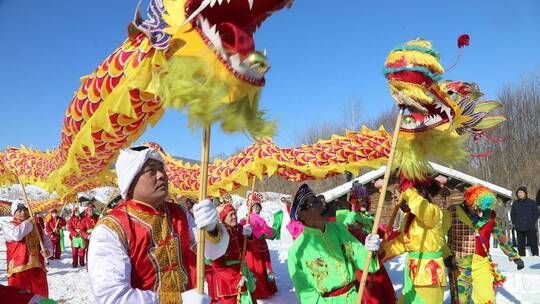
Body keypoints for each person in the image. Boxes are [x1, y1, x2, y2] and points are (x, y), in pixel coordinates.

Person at [87, 146, 229, 304]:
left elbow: (213, 253)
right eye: (151, 171)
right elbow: (112, 297)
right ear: (130, 179)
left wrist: (212, 228)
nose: (161, 175)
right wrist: (177, 301)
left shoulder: (179, 213)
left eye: (162, 169)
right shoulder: (111, 227)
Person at [287, 184, 381, 303]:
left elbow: (359, 255)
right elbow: (306, 294)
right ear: (302, 215)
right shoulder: (297, 251)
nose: (322, 206)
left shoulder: (339, 229)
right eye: (314, 203)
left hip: (353, 298)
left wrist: (369, 250)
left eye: (319, 200)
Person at [445, 185, 524, 303]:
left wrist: (514, 256)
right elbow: (439, 234)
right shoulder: (453, 212)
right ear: (469, 202)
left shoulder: (490, 215)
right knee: (460, 300)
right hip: (459, 264)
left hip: (482, 263)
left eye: (483, 208)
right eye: (477, 208)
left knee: (487, 297)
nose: (480, 212)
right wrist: (446, 255)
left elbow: (500, 236)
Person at [382, 176, 448, 304]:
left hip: (428, 273)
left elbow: (424, 211)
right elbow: (402, 242)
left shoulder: (433, 211)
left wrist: (409, 192)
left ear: (421, 193)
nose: (402, 198)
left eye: (404, 194)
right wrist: (382, 253)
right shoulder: (408, 217)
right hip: (411, 271)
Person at [335, 183, 396, 304]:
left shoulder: (368, 218)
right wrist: (368, 239)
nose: (363, 203)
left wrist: (390, 231)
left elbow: (380, 229)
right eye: (360, 200)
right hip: (362, 262)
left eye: (365, 200)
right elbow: (354, 235)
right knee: (369, 295)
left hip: (374, 261)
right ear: (354, 202)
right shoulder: (351, 218)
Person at [3, 200, 52, 297]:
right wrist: (29, 222)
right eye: (19, 211)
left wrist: (48, 251)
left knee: (41, 297)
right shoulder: (9, 226)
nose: (23, 213)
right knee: (17, 298)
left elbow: (46, 241)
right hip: (18, 270)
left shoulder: (37, 226)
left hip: (37, 267)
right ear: (14, 213)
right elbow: (17, 235)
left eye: (25, 210)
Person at [212, 203, 256, 304]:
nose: (235, 217)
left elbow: (250, 250)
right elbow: (217, 266)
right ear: (223, 217)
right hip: (228, 280)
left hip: (243, 273)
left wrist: (249, 237)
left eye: (235, 213)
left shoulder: (241, 229)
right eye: (231, 214)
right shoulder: (219, 234)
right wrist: (235, 279)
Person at [242, 197, 283, 300]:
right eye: (254, 206)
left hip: (257, 247)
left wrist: (270, 232)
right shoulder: (250, 218)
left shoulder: (245, 219)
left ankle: (261, 289)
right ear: (250, 208)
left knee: (261, 268)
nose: (257, 208)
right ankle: (262, 290)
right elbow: (266, 231)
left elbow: (265, 230)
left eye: (258, 206)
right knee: (259, 268)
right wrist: (273, 232)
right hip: (255, 248)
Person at [510, 186, 540, 256]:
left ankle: (535, 257)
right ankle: (522, 258)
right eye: (518, 192)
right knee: (520, 246)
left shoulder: (532, 202)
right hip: (519, 228)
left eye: (521, 192)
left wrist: (531, 221)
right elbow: (512, 214)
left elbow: (537, 213)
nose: (519, 194)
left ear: (525, 193)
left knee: (533, 244)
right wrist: (515, 222)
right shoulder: (515, 203)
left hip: (530, 228)